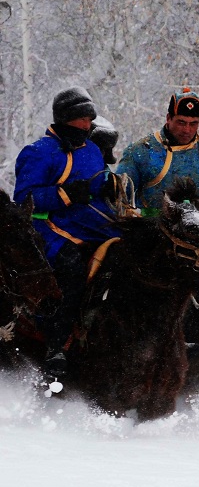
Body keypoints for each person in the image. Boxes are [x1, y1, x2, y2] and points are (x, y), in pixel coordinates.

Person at [13, 87, 122, 377]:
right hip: (50, 226)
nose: (87, 126)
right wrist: (64, 194)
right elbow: (24, 200)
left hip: (94, 223)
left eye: (89, 119)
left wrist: (109, 186)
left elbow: (97, 184)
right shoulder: (37, 153)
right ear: (63, 119)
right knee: (71, 265)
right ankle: (56, 343)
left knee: (132, 257)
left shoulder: (92, 150)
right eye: (80, 120)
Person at [117, 87, 199, 221]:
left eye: (193, 124)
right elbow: (120, 191)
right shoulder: (141, 150)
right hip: (154, 227)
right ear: (169, 118)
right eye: (181, 122)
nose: (187, 130)